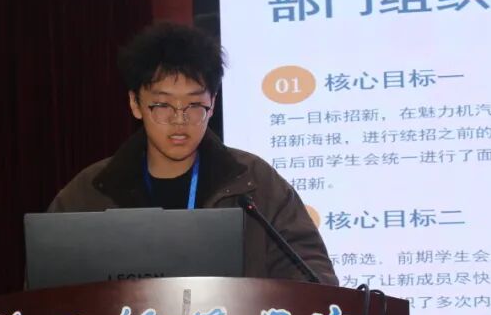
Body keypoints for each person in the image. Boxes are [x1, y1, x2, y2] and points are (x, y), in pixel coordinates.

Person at [49, 22, 338, 286]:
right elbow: (46, 295)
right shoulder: (89, 192)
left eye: (194, 105)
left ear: (212, 105)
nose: (180, 120)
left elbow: (313, 277)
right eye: (162, 105)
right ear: (135, 104)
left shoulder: (255, 183)